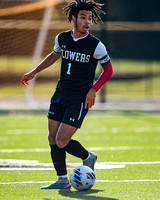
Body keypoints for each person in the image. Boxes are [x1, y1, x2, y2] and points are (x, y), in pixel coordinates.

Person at [21, 0, 113, 189]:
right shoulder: (62, 38)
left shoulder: (96, 45)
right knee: (52, 138)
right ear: (73, 18)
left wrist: (93, 89)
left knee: (62, 140)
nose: (87, 22)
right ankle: (62, 180)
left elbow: (108, 70)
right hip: (60, 92)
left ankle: (88, 157)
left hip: (79, 98)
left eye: (89, 18)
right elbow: (54, 56)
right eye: (83, 17)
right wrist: (33, 72)